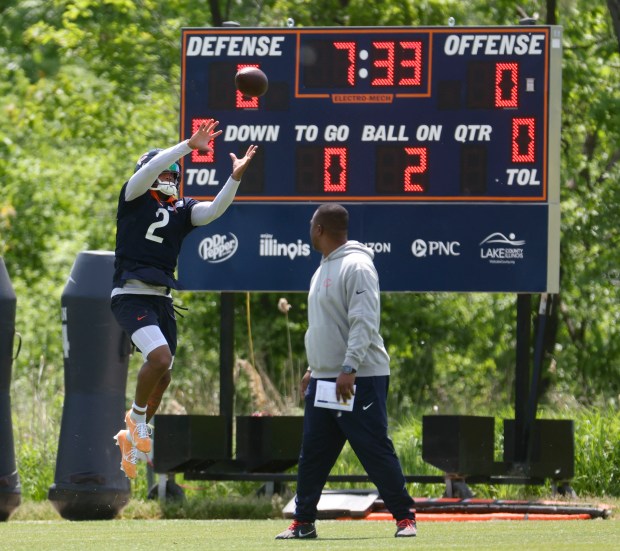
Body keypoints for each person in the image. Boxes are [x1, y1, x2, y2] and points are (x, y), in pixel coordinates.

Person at [111, 119, 257, 479]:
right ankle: (136, 417)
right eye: (165, 171)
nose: (169, 178)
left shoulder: (181, 208)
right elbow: (150, 171)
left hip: (161, 300)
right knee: (159, 359)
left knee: (163, 378)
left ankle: (129, 436)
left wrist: (234, 178)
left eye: (173, 174)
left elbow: (213, 212)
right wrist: (188, 147)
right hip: (131, 295)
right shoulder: (133, 198)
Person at [275, 203, 417, 540]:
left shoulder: (357, 265)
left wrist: (349, 367)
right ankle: (303, 522)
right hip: (327, 378)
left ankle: (405, 518)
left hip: (359, 377)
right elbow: (329, 326)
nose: (309, 230)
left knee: (373, 448)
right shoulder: (323, 268)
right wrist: (314, 369)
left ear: (320, 229)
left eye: (312, 225)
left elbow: (364, 321)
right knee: (313, 453)